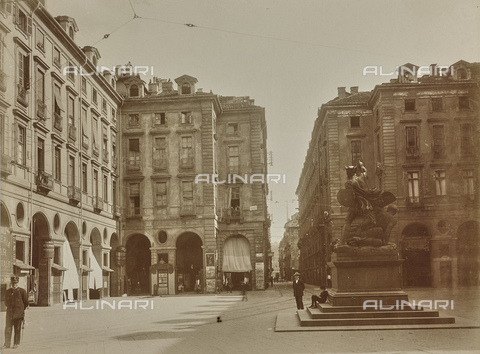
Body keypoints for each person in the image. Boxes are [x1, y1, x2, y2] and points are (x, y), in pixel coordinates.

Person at [3, 276, 29, 349]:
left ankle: (16, 343)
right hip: (9, 314)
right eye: (13, 283)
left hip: (18, 314)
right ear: (11, 283)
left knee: (17, 329)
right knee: (8, 329)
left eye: (16, 283)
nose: (14, 284)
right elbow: (6, 302)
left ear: (18, 283)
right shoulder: (8, 291)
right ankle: (7, 344)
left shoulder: (22, 291)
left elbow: (26, 302)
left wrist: (20, 310)